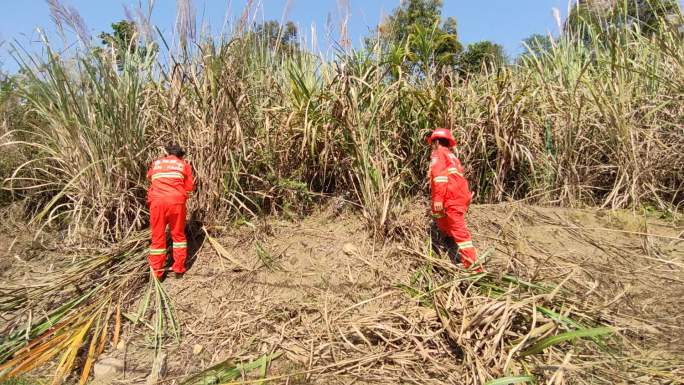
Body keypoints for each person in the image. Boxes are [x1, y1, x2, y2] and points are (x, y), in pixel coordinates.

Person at [427, 128, 478, 270]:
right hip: (461, 196)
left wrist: (438, 199)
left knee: (460, 232)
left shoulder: (438, 154)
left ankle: (473, 266)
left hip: (451, 198)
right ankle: (447, 236)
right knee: (438, 214)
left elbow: (440, 178)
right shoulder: (452, 156)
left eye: (432, 143)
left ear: (436, 142)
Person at [146, 144, 194, 279]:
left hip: (157, 203)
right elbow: (189, 187)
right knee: (178, 236)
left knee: (157, 238)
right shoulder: (183, 164)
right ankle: (179, 269)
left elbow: (149, 177)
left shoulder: (156, 163)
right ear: (181, 155)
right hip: (176, 203)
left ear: (167, 153)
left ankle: (157, 273)